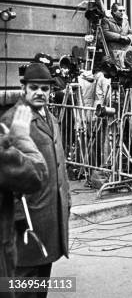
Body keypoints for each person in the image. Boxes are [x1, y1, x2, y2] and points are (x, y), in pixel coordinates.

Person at [0, 63, 71, 296]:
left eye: (45, 88)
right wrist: (19, 219)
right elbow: (7, 174)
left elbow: (60, 165)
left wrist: (66, 200)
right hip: (26, 222)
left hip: (49, 217)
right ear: (24, 90)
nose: (40, 92)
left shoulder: (50, 117)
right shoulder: (14, 120)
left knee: (41, 283)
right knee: (22, 286)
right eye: (34, 87)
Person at [0, 106, 47, 292]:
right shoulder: (10, 118)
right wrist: (20, 137)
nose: (40, 92)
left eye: (45, 88)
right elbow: (38, 173)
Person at [101, 2, 132, 68]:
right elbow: (105, 33)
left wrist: (128, 38)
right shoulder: (106, 20)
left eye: (123, 10)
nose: (122, 12)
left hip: (124, 51)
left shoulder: (125, 21)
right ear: (114, 12)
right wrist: (120, 37)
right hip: (112, 51)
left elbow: (131, 33)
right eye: (120, 11)